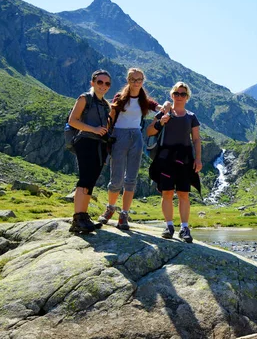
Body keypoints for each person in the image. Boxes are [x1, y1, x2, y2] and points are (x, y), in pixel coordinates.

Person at [98, 68, 171, 230]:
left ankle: (124, 214)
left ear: (143, 81)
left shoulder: (144, 100)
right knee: (116, 177)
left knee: (131, 178)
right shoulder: (120, 97)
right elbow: (110, 116)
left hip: (136, 137)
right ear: (128, 80)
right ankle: (110, 208)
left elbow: (159, 107)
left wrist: (165, 106)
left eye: (139, 80)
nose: (136, 82)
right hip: (119, 136)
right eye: (133, 79)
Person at [147, 82, 202, 243]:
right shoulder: (165, 112)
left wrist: (198, 159)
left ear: (187, 97)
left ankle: (185, 228)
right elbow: (150, 131)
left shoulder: (191, 117)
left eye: (182, 94)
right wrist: (160, 122)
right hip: (166, 157)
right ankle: (169, 226)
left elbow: (197, 139)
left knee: (184, 194)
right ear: (172, 95)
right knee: (167, 193)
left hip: (184, 158)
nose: (179, 96)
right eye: (176, 94)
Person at [68, 69, 113, 233]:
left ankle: (83, 217)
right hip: (85, 142)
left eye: (107, 83)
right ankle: (78, 219)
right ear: (92, 83)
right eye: (100, 82)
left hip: (99, 145)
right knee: (85, 179)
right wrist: (93, 129)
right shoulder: (84, 98)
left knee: (91, 181)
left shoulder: (105, 104)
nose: (103, 86)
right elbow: (72, 121)